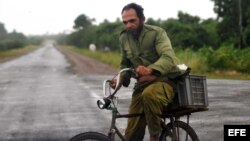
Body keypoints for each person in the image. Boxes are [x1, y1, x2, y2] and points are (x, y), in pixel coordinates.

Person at [111, 3, 181, 141]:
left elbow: (168, 57)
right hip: (141, 86)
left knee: (149, 95)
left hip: (165, 81)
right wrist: (118, 81)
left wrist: (150, 69)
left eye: (132, 21)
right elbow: (125, 64)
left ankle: (155, 136)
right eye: (125, 22)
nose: (128, 25)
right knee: (131, 133)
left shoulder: (157, 33)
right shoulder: (124, 38)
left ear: (142, 19)